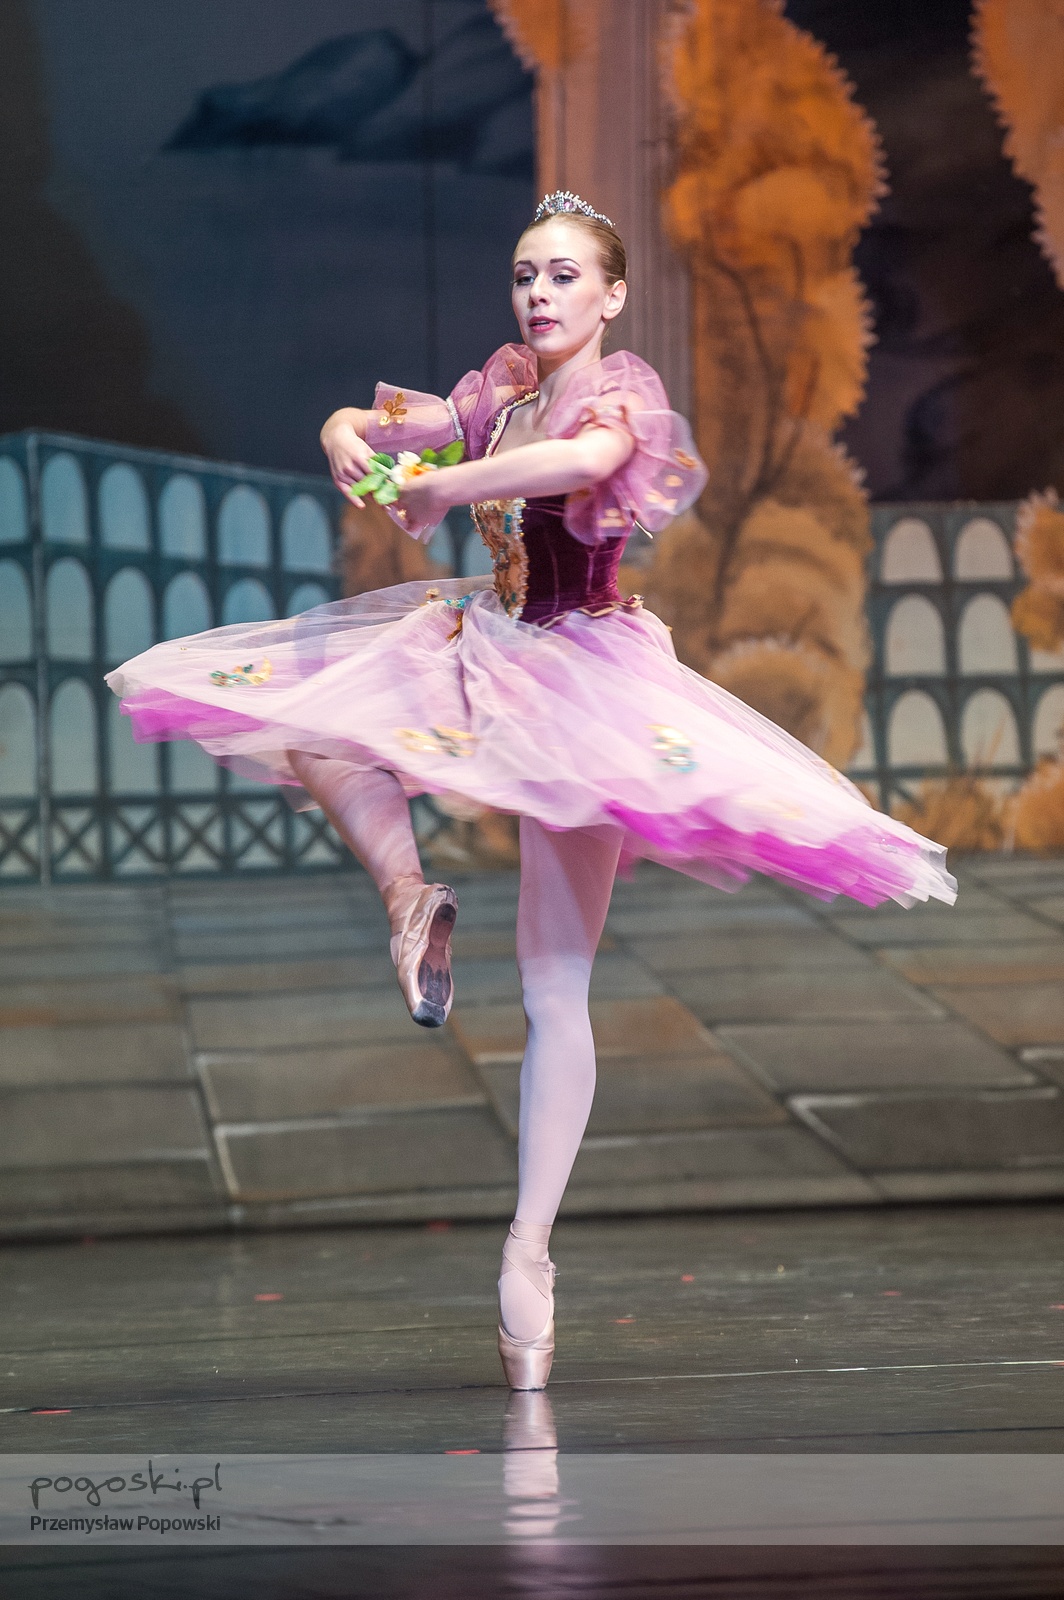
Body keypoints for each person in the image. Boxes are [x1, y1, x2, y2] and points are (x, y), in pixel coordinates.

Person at [107, 191, 956, 1393]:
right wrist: (343, 426)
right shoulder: (499, 387)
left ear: (611, 295)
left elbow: (584, 463)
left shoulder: (616, 395)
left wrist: (452, 486)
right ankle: (409, 900)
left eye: (561, 275)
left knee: (556, 983)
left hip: (579, 684)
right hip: (480, 640)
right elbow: (391, 428)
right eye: (523, 274)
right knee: (310, 720)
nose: (538, 294)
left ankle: (529, 1246)